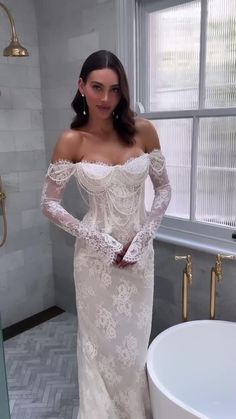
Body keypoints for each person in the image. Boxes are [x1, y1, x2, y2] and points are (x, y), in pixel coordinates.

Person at [41, 49, 171, 419]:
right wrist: (97, 239)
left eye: (114, 90)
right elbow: (49, 203)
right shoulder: (72, 140)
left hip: (139, 258)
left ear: (123, 92)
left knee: (133, 348)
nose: (105, 98)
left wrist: (145, 236)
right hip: (95, 263)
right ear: (81, 87)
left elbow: (163, 189)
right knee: (99, 346)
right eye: (97, 87)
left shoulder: (144, 130)